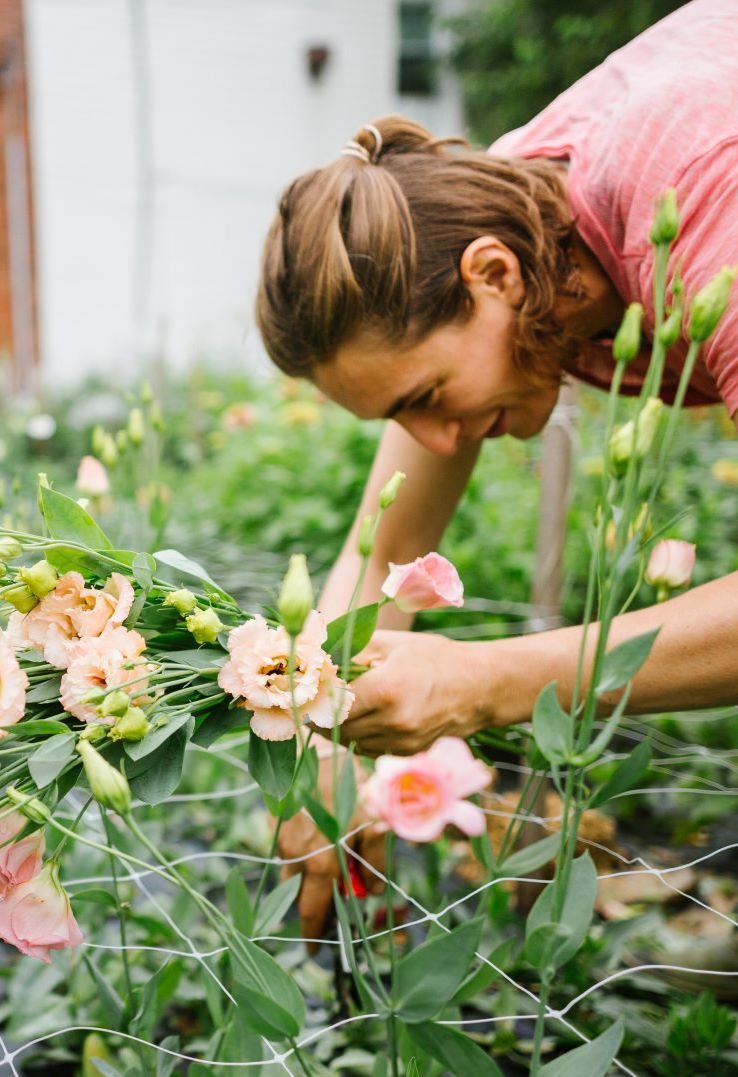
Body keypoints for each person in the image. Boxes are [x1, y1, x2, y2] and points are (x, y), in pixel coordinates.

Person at [257, 0, 738, 944]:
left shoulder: (701, 193)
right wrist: (315, 745)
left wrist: (488, 682)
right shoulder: (498, 214)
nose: (437, 443)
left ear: (494, 277)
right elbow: (382, 552)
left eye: (426, 393)